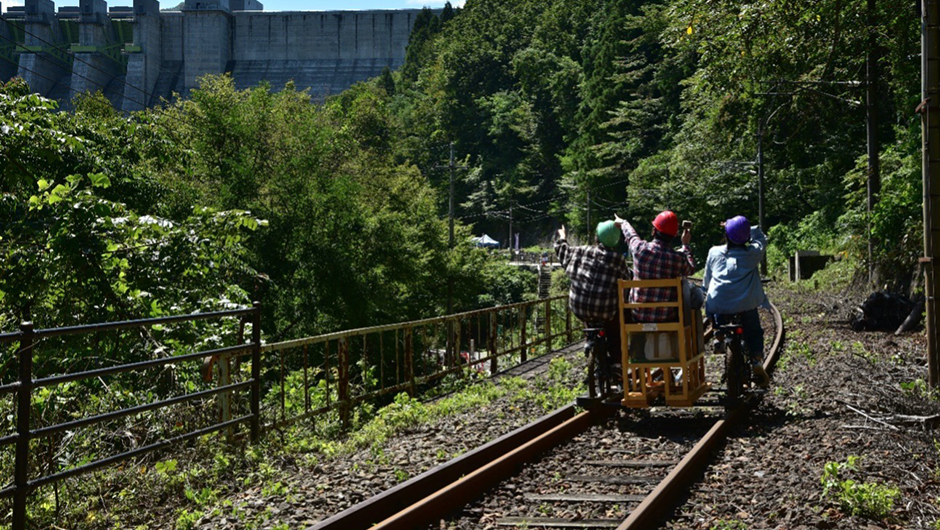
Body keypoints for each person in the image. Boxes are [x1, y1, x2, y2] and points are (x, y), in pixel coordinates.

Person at [702, 215, 770, 388]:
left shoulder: (714, 252)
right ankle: (756, 361)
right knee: (754, 331)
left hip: (719, 306)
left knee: (712, 304)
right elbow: (762, 238)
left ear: (726, 234)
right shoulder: (753, 253)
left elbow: (707, 283)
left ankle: (717, 332)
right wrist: (749, 229)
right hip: (746, 306)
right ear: (746, 237)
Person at [554, 221, 632, 366]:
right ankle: (617, 366)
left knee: (588, 319)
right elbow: (627, 281)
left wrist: (563, 237)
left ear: (597, 237)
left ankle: (590, 342)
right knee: (615, 332)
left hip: (580, 308)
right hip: (606, 311)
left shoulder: (581, 251)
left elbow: (562, 251)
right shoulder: (618, 259)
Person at [614, 211, 700, 323]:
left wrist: (623, 223)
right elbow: (691, 268)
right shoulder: (678, 259)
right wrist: (685, 245)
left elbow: (631, 235)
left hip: (638, 316)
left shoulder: (640, 249)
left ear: (654, 231)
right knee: (694, 291)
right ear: (674, 236)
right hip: (667, 318)